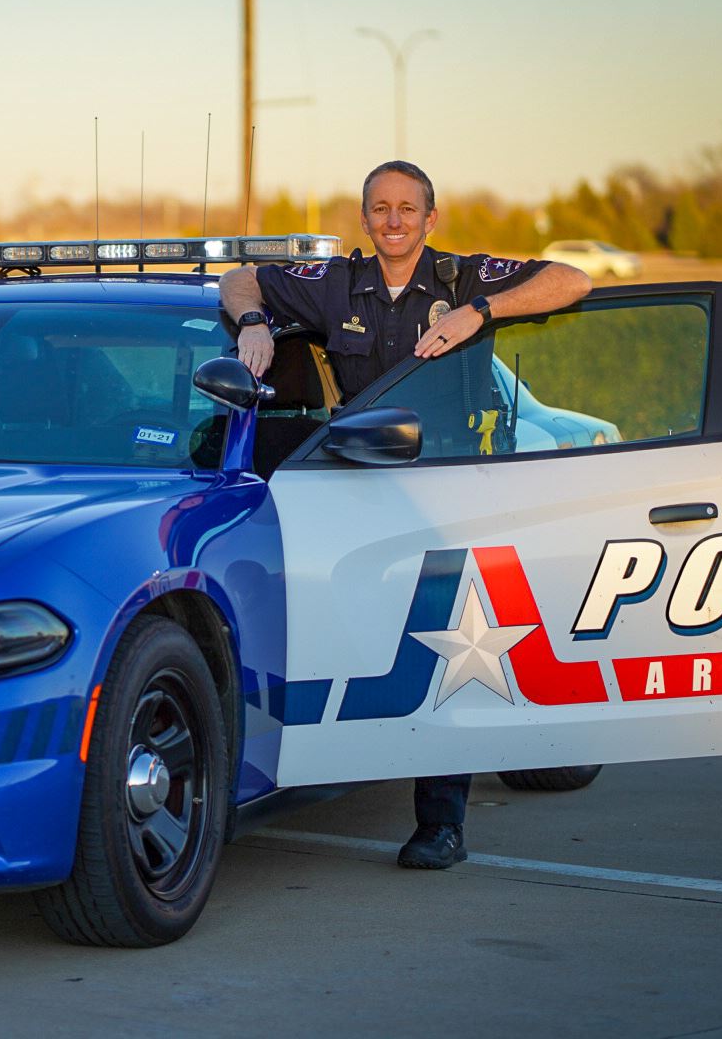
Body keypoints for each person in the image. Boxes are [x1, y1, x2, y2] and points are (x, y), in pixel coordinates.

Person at [218, 160, 593, 870]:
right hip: (354, 490)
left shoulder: (464, 278)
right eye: (380, 208)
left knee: (446, 648)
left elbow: (573, 281)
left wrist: (480, 312)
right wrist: (256, 322)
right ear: (364, 219)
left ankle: (441, 826)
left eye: (407, 208)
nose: (393, 220)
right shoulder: (335, 284)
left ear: (431, 217)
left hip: (447, 492)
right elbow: (239, 277)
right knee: (360, 638)